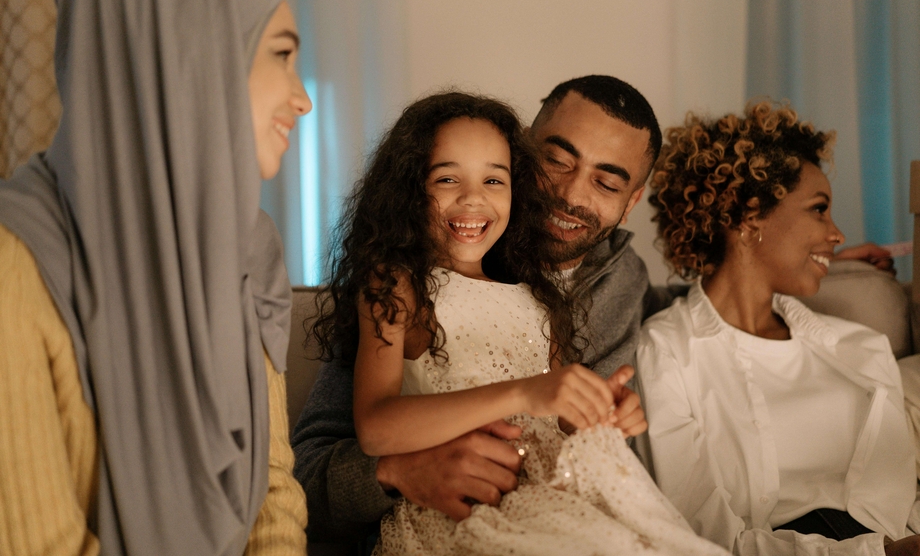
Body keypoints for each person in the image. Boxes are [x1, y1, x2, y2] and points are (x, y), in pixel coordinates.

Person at [312, 90, 727, 555]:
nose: (473, 197)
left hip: (549, 497)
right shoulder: (395, 285)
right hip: (464, 513)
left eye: (493, 181)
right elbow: (371, 429)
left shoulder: (544, 296)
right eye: (558, 161)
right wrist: (522, 393)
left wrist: (597, 411)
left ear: (630, 202)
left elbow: (555, 416)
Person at [0, 0, 311, 554]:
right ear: (193, 56)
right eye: (281, 55)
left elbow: (273, 494)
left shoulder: (250, 247)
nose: (302, 98)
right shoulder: (15, 267)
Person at [637, 101, 920, 556]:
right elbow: (701, 536)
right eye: (819, 210)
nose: (837, 234)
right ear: (749, 220)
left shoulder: (863, 348)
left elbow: (904, 504)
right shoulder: (667, 351)